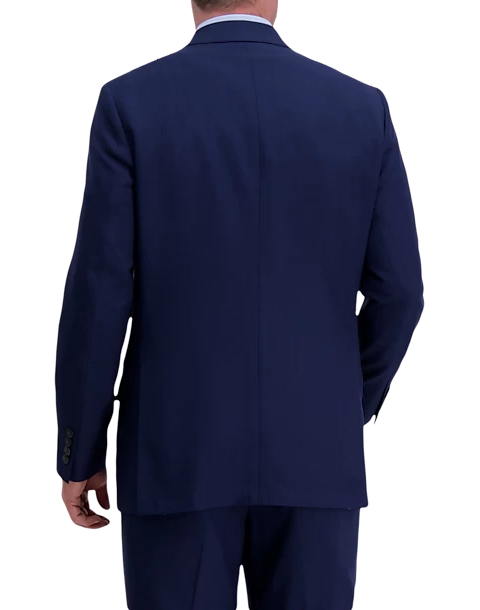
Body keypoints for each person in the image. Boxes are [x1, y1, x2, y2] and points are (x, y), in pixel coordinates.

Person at [54, 0, 424, 608]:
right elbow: (401, 291)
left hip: (176, 454)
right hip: (316, 455)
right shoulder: (361, 108)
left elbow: (99, 294)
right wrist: (340, 402)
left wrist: (80, 444)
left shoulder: (131, 102)